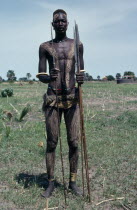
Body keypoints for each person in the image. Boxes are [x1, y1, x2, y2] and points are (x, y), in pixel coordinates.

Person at [37, 9, 84, 198]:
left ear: (67, 24)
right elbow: (40, 74)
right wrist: (49, 77)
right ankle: (50, 183)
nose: (61, 24)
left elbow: (82, 70)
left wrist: (82, 76)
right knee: (52, 142)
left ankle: (72, 182)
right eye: (57, 21)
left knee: (74, 142)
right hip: (53, 99)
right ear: (52, 24)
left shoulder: (77, 45)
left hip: (72, 99)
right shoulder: (45, 47)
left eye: (63, 21)